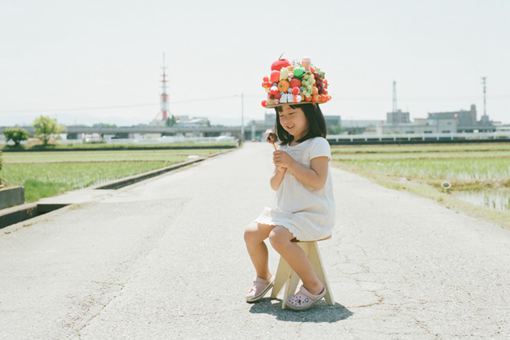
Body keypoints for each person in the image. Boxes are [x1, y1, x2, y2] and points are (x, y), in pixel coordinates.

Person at [244, 57, 335, 311]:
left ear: (309, 113)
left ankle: (314, 286)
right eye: (281, 114)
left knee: (277, 237)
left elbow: (317, 182)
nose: (285, 119)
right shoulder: (285, 146)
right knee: (251, 233)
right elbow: (274, 185)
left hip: (312, 214)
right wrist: (281, 167)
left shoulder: (318, 145)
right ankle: (263, 277)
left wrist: (292, 165)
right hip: (287, 213)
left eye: (292, 113)